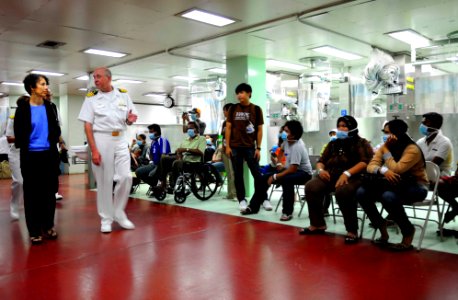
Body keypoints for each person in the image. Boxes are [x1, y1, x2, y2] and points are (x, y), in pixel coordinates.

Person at [78, 67, 138, 233]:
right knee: (104, 181)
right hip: (101, 138)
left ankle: (119, 212)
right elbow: (87, 126)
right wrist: (94, 150)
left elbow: (129, 118)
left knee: (126, 176)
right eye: (94, 77)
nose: (95, 80)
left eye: (98, 77)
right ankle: (106, 218)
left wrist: (131, 120)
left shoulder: (123, 94)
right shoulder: (91, 98)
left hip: (120, 138)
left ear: (108, 78)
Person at [356, 119, 428, 251]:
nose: (386, 136)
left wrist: (386, 151)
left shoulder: (412, 149)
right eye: (384, 132)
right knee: (362, 192)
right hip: (392, 183)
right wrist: (383, 170)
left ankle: (407, 231)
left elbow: (397, 169)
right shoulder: (386, 146)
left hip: (416, 186)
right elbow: (371, 166)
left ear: (397, 133)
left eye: (388, 133)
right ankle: (381, 224)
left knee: (388, 196)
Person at [300, 115, 373, 244]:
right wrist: (321, 170)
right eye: (339, 125)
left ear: (352, 128)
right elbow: (321, 161)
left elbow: (365, 162)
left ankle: (352, 230)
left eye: (344, 126)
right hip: (331, 175)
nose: (340, 128)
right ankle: (318, 224)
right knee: (311, 186)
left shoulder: (361, 143)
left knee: (343, 191)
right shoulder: (333, 143)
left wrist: (347, 173)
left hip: (354, 177)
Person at [14, 74, 61, 245]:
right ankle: (34, 230)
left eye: (46, 84)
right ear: (32, 88)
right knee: (33, 194)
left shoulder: (50, 107)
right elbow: (19, 135)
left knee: (49, 193)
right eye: (42, 84)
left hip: (49, 156)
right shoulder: (22, 109)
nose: (46, 87)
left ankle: (48, 225)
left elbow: (56, 130)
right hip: (31, 157)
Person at [242, 120, 313, 220]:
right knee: (263, 178)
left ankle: (287, 212)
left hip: (303, 173)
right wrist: (279, 163)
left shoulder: (298, 146)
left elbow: (293, 169)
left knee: (287, 180)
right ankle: (253, 207)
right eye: (284, 130)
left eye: (287, 131)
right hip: (289, 170)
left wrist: (275, 176)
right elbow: (281, 152)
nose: (283, 133)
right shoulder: (286, 142)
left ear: (294, 134)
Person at [225, 83, 264, 211]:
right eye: (237, 93)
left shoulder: (257, 109)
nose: (239, 95)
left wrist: (258, 148)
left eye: (241, 92)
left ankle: (262, 198)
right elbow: (229, 128)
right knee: (238, 174)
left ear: (249, 94)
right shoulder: (233, 109)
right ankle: (241, 199)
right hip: (235, 147)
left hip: (250, 147)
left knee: (257, 174)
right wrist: (228, 146)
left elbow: (259, 130)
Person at [156, 122, 207, 192]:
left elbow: (201, 152)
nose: (189, 130)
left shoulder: (201, 138)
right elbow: (179, 151)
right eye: (188, 128)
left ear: (197, 129)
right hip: (183, 159)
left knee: (176, 163)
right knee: (164, 158)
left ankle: (174, 185)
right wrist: (179, 154)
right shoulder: (185, 140)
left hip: (193, 162)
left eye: (191, 128)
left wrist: (186, 149)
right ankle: (163, 183)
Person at [6, 97, 28, 220]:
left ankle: (29, 208)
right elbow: (9, 138)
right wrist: (24, 138)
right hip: (16, 152)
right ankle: (14, 206)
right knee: (19, 182)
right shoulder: (13, 119)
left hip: (30, 152)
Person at [220, 103, 236, 200]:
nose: (224, 113)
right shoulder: (224, 123)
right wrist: (223, 147)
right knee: (228, 173)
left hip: (233, 150)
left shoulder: (236, 122)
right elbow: (223, 136)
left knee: (234, 172)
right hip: (225, 149)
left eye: (225, 111)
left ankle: (235, 194)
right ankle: (229, 193)